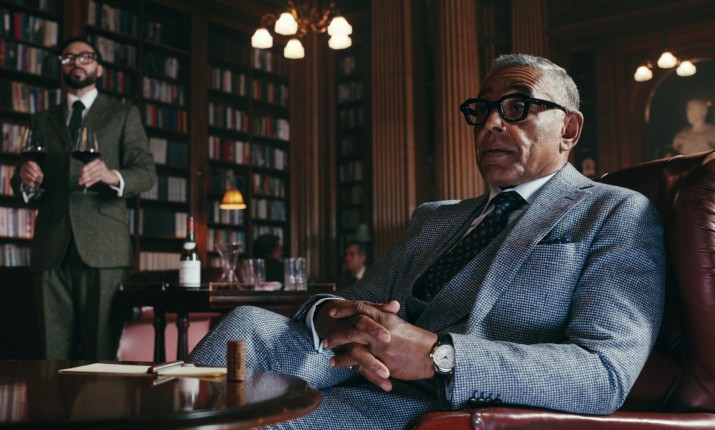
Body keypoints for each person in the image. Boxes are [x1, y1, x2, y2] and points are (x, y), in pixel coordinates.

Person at [188, 54, 665, 428]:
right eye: (482, 110)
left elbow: (604, 373)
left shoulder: (615, 212)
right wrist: (327, 313)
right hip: (352, 367)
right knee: (245, 324)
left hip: (438, 400)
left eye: (517, 107)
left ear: (569, 129)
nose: (491, 124)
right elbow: (358, 301)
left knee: (247, 420)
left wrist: (439, 355)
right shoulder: (436, 218)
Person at [11, 36, 157, 360]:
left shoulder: (122, 114)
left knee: (101, 354)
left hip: (104, 247)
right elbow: (20, 180)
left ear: (99, 68)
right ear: (61, 68)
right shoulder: (42, 119)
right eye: (68, 58)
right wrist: (25, 178)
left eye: (85, 56)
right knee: (52, 355)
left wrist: (111, 175)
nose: (76, 62)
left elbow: (147, 172)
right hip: (51, 247)